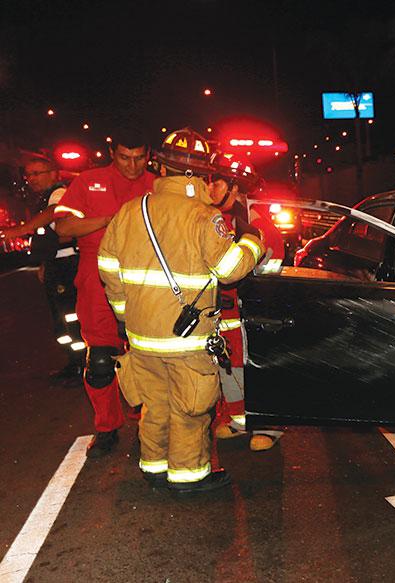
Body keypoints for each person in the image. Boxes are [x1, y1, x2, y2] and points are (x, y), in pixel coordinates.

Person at [98, 128, 266, 493]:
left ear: (159, 167)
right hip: (187, 340)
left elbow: (108, 268)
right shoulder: (204, 216)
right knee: (190, 408)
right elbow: (229, 270)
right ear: (202, 173)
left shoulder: (130, 212)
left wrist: (126, 315)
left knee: (154, 405)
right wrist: (253, 243)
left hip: (142, 337)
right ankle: (189, 477)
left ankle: (153, 467)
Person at [55, 131, 156, 456]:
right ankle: (106, 428)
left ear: (148, 155)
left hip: (147, 280)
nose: (132, 165)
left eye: (139, 158)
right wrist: (111, 220)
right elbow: (63, 228)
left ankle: (150, 427)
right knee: (100, 360)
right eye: (125, 157)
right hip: (96, 278)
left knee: (149, 359)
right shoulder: (88, 182)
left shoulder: (158, 184)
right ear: (112, 152)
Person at [209, 153, 285, 451]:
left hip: (250, 311)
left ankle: (268, 425)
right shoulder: (214, 219)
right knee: (229, 367)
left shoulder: (256, 223)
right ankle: (238, 420)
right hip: (222, 310)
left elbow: (270, 266)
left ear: (235, 188)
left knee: (257, 366)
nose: (210, 188)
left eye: (216, 183)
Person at [1, 155, 83, 380]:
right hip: (56, 264)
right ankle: (73, 362)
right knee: (61, 318)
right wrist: (45, 264)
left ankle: (80, 365)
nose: (32, 179)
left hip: (66, 265)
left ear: (54, 174)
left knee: (69, 317)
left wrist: (22, 229)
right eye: (29, 174)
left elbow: (56, 213)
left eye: (37, 173)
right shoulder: (44, 198)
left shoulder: (59, 193)